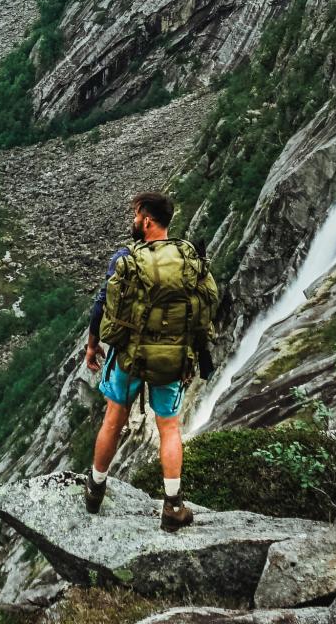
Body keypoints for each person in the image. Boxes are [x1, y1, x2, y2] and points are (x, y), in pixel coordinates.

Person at [83, 191, 219, 531]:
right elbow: (206, 305)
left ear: (146, 220)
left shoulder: (126, 258)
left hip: (130, 355)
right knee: (169, 427)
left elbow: (102, 304)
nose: (133, 220)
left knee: (114, 418)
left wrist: (92, 344)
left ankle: (95, 489)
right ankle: (173, 505)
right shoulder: (187, 258)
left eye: (135, 215)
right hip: (173, 357)